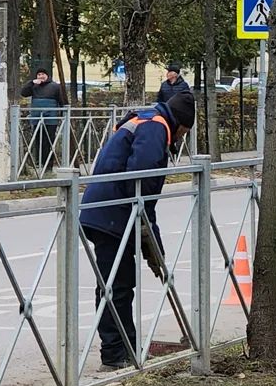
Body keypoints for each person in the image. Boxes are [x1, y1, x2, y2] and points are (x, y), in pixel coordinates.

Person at [79, 91, 196, 371]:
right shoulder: (156, 127)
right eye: (185, 132)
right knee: (114, 287)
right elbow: (142, 184)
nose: (181, 139)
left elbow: (143, 193)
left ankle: (127, 349)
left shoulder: (148, 121)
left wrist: (149, 239)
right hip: (112, 214)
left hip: (110, 212)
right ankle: (115, 355)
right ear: (180, 123)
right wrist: (149, 237)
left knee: (119, 285)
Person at [21, 68, 64, 170]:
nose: (40, 76)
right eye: (38, 74)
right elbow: (23, 92)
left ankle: (48, 165)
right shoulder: (34, 86)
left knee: (49, 141)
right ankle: (39, 163)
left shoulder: (54, 86)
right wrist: (31, 82)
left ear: (47, 75)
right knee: (38, 141)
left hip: (50, 118)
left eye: (42, 74)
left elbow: (61, 101)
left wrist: (61, 115)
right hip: (37, 117)